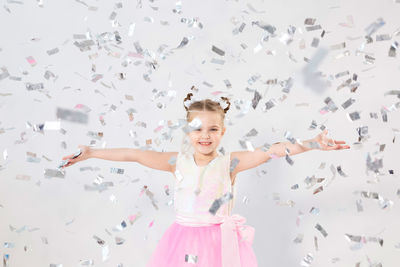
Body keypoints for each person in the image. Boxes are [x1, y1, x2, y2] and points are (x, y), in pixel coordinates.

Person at [61, 92, 350, 267]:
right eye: (198, 129)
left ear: (222, 132)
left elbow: (272, 150)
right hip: (182, 242)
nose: (205, 135)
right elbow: (134, 155)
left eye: (213, 129)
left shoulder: (230, 163)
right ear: (188, 132)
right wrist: (92, 153)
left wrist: (312, 143)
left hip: (218, 244)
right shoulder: (177, 162)